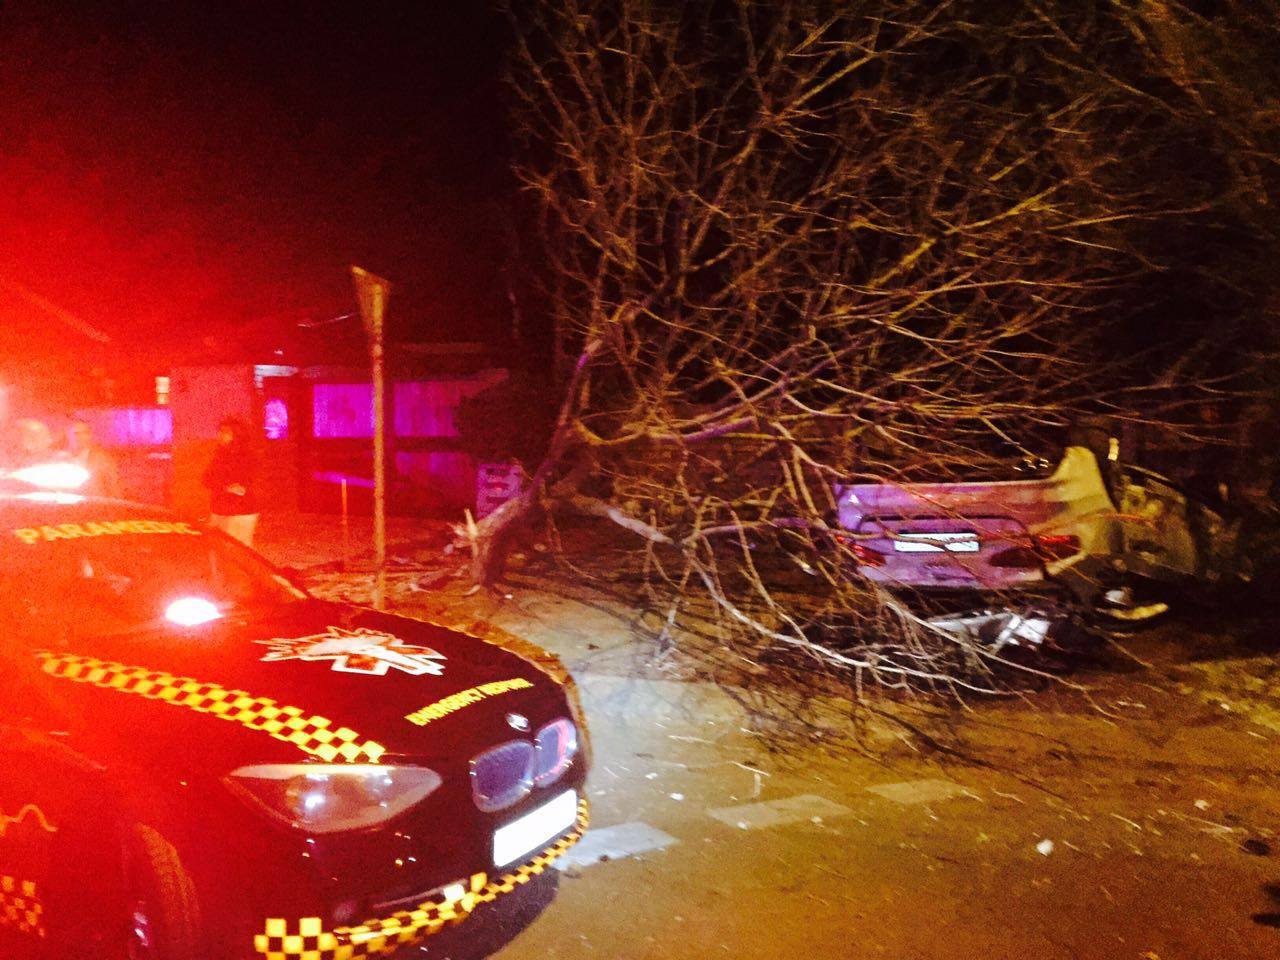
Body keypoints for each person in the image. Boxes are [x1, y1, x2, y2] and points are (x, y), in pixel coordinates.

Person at [201, 417, 260, 547]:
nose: (220, 435)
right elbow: (206, 479)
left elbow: (251, 482)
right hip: (219, 509)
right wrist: (225, 487)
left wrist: (239, 488)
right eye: (220, 431)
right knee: (218, 550)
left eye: (226, 432)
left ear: (237, 435)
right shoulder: (219, 454)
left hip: (240, 512)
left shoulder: (247, 456)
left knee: (237, 552)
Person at [67, 420, 122, 498]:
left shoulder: (102, 460)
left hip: (95, 506)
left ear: (89, 436)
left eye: (84, 433)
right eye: (75, 434)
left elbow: (113, 487)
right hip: (69, 507)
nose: (79, 437)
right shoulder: (61, 461)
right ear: (69, 436)